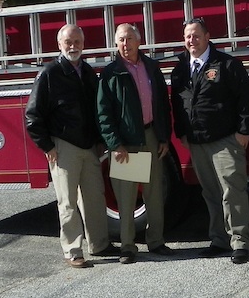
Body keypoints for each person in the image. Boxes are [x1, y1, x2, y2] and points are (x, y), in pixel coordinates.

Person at [25, 24, 119, 268]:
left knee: (95, 198)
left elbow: (96, 111)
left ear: (83, 44)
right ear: (59, 45)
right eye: (68, 42)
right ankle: (73, 251)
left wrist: (99, 141)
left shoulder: (88, 72)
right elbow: (32, 115)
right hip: (63, 146)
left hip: (89, 146)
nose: (73, 46)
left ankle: (99, 244)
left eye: (77, 41)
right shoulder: (49, 74)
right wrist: (47, 146)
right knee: (67, 202)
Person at [170, 18, 249, 264]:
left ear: (208, 37)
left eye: (196, 36)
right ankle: (219, 239)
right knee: (210, 193)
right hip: (197, 142)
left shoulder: (226, 64)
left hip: (225, 140)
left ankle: (240, 242)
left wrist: (244, 130)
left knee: (233, 191)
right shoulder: (181, 69)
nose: (192, 40)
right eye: (188, 36)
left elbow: (246, 98)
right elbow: (178, 104)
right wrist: (182, 133)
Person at [97, 23, 176, 263]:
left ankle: (156, 241)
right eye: (121, 39)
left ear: (138, 41)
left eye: (129, 39)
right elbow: (103, 114)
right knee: (127, 196)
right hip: (126, 144)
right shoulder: (111, 73)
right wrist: (114, 144)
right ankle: (128, 247)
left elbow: (163, 104)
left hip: (151, 136)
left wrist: (164, 137)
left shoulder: (152, 68)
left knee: (154, 192)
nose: (125, 44)